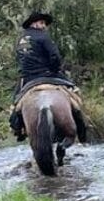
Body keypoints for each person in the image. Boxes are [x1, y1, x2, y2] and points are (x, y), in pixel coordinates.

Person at [9, 12, 86, 142]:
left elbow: (19, 59)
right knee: (74, 93)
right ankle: (81, 128)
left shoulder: (19, 39)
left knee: (15, 103)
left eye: (44, 23)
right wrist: (55, 69)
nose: (44, 26)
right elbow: (55, 56)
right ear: (34, 24)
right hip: (47, 74)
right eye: (41, 23)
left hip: (27, 78)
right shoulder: (43, 37)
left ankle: (18, 129)